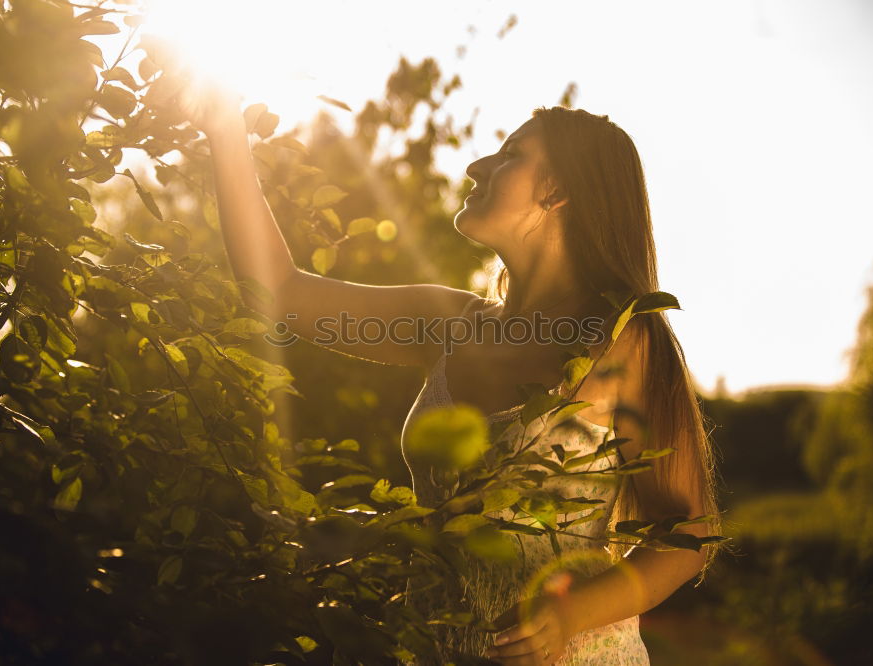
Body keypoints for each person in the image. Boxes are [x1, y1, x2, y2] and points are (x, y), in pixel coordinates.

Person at [174, 68, 722, 664]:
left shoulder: (623, 341)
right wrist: (227, 135)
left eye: (509, 155)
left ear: (558, 192)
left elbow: (689, 527)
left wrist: (565, 616)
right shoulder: (446, 323)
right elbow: (279, 292)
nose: (475, 167)